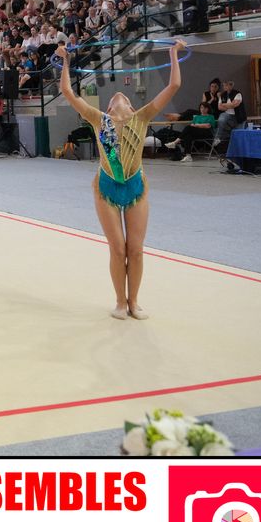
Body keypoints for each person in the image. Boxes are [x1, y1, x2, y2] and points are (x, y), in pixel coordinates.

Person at [55, 39, 186, 320]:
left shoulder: (142, 117)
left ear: (130, 105)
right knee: (117, 248)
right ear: (109, 107)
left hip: (135, 186)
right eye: (114, 97)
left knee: (135, 250)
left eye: (124, 97)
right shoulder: (98, 119)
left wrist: (173, 53)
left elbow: (174, 85)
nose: (119, 96)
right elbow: (67, 91)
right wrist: (65, 60)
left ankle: (133, 301)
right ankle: (119, 301)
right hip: (107, 188)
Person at [212, 79, 246, 149]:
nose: (224, 87)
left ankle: (240, 149)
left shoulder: (237, 94)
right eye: (223, 85)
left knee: (238, 135)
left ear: (231, 86)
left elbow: (235, 105)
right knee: (221, 118)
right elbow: (219, 107)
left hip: (238, 116)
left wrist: (224, 105)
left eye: (226, 85)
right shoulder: (222, 95)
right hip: (228, 115)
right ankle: (218, 138)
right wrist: (230, 105)